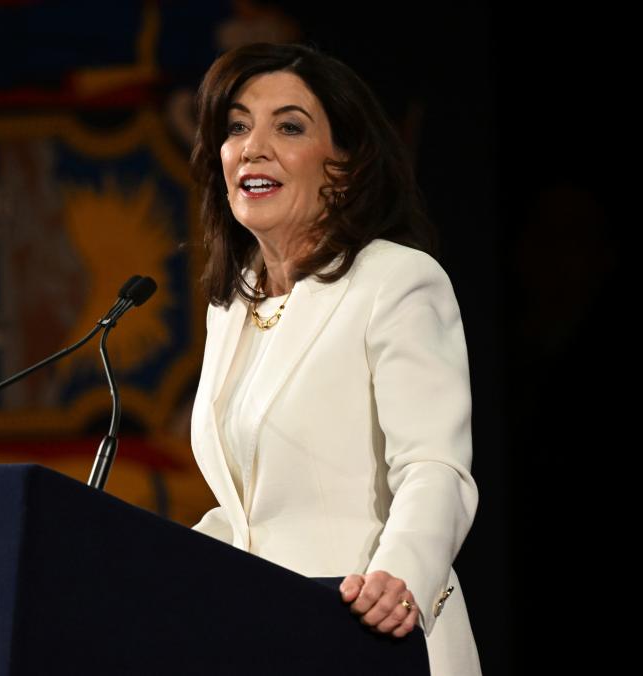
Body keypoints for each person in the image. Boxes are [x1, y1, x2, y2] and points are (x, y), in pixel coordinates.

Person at [187, 42, 481, 676]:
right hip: (260, 639)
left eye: (288, 126)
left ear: (342, 166)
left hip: (365, 630)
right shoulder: (232, 305)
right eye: (237, 126)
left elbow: (435, 467)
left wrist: (401, 576)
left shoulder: (396, 280)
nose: (252, 146)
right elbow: (250, 513)